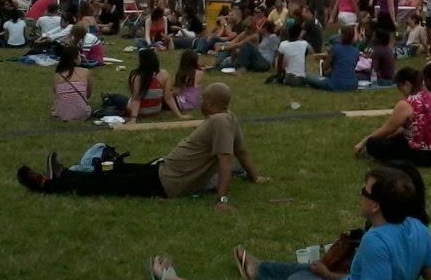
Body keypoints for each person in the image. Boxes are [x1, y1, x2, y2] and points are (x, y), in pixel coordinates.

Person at [147, 166, 431, 280]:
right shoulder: (418, 228)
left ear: (375, 205)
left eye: (364, 191)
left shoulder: (376, 241)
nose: (360, 195)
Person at [19, 83, 269, 206]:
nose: (200, 103)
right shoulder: (228, 118)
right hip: (163, 170)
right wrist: (254, 177)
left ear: (213, 104)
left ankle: (50, 184)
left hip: (166, 183)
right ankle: (66, 173)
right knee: (114, 169)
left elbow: (227, 159)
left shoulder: (219, 122)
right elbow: (242, 152)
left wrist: (221, 199)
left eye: (203, 100)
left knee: (107, 183)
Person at [355, 67, 431, 167]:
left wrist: (363, 142)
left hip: (421, 156)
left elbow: (386, 130)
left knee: (373, 143)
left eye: (400, 88)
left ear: (407, 84)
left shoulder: (407, 104)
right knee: (397, 137)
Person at [105, 49, 184, 123]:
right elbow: (168, 98)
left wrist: (133, 119)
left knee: (118, 98)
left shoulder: (137, 76)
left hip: (140, 112)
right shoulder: (164, 74)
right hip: (155, 111)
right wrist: (179, 115)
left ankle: (108, 98)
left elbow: (137, 99)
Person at [307, 25, 360, 92]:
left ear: (341, 36)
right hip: (353, 85)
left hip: (336, 84)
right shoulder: (356, 51)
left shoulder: (336, 48)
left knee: (308, 76)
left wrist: (326, 60)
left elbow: (324, 67)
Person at [51, 46, 92, 122]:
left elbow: (56, 94)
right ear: (75, 59)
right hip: (83, 114)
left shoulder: (57, 75)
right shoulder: (85, 72)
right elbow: (88, 94)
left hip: (61, 114)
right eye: (79, 55)